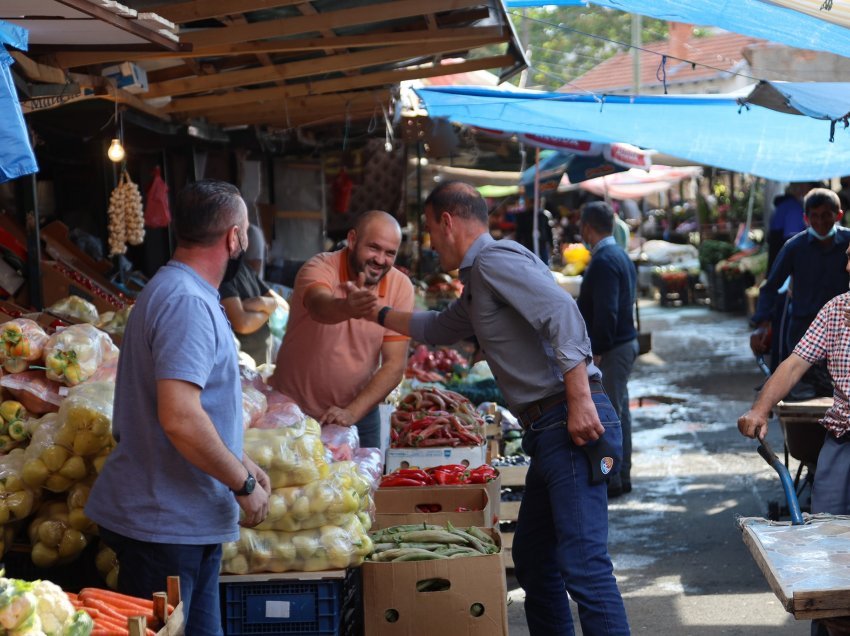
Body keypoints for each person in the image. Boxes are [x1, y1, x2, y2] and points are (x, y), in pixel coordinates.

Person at [370, 181, 629, 636]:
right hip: (548, 431)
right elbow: (439, 327)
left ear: (447, 222)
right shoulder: (479, 282)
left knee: (584, 568)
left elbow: (562, 313)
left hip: (568, 423)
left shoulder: (492, 261)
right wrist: (375, 313)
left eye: (430, 230)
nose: (430, 243)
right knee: (532, 559)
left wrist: (580, 399)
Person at [85, 180, 270, 635]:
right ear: (233, 237)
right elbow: (180, 416)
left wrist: (239, 458)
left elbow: (193, 407)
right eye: (245, 232)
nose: (245, 241)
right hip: (163, 528)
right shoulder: (186, 301)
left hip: (182, 522)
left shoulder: (181, 291)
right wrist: (242, 482)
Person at [738, 240, 850, 636]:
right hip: (842, 437)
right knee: (824, 541)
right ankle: (827, 627)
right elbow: (794, 364)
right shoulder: (837, 309)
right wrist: (760, 408)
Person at [269, 210, 414, 448]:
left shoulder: (401, 287)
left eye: (390, 253)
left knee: (366, 484)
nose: (380, 259)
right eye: (374, 248)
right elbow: (319, 306)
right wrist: (347, 308)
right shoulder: (319, 266)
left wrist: (351, 413)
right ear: (353, 239)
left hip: (360, 414)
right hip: (293, 411)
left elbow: (394, 365)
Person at [750, 188, 849, 398]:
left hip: (842, 329)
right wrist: (761, 324)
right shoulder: (794, 247)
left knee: (840, 391)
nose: (820, 222)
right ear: (806, 218)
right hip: (804, 328)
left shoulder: (848, 241)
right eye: (815, 216)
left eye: (826, 216)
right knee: (802, 391)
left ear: (838, 215)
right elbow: (770, 286)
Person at [578, 201, 639, 498]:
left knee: (610, 416)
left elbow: (607, 312)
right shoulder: (618, 255)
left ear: (588, 227)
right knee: (618, 412)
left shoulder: (604, 260)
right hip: (622, 344)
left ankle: (613, 478)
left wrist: (598, 350)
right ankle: (620, 475)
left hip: (614, 349)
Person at [219, 226, 288, 367]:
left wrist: (265, 304)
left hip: (264, 362)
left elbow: (284, 306)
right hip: (245, 369)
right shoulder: (224, 275)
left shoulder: (244, 269)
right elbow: (243, 323)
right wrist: (269, 309)